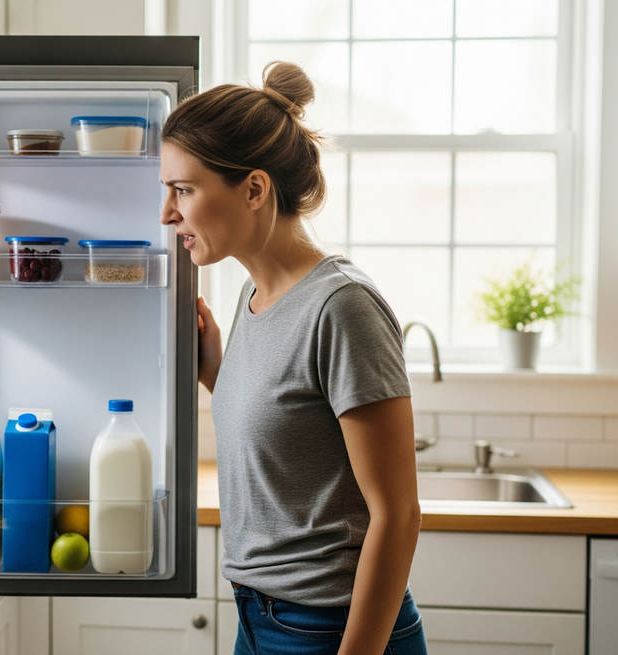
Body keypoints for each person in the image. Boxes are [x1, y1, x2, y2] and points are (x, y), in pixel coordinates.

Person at [159, 61, 426, 655]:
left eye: (183, 189)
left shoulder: (342, 306)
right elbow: (294, 433)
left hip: (330, 629)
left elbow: (398, 515)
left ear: (254, 190)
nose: (167, 213)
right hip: (260, 619)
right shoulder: (254, 295)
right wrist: (216, 372)